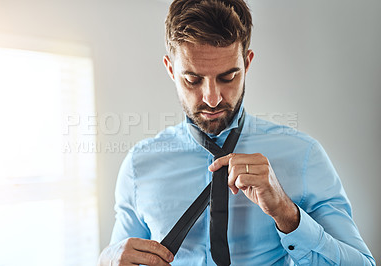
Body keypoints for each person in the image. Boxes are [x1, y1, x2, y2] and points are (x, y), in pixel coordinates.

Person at [99, 0, 376, 265]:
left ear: (247, 63)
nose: (211, 98)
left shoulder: (304, 156)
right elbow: (124, 256)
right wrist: (106, 261)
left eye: (228, 77)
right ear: (171, 69)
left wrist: (286, 213)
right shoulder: (139, 166)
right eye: (192, 79)